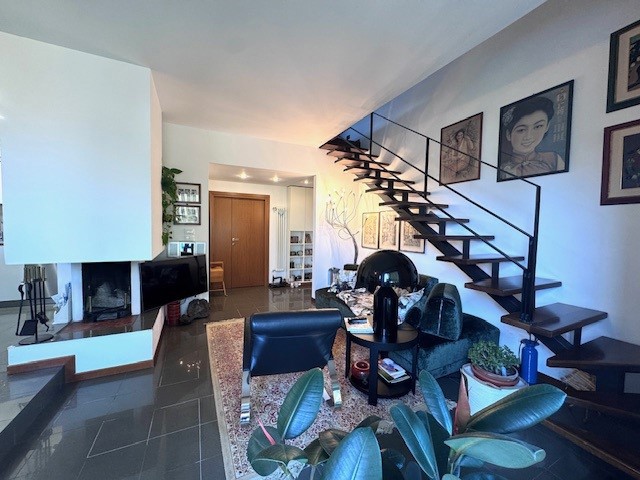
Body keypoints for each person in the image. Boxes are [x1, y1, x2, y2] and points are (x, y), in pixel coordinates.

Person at [499, 96, 565, 180]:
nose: (528, 136)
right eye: (521, 130)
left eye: (538, 126)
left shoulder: (553, 159)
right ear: (508, 134)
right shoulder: (502, 170)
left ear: (546, 127)